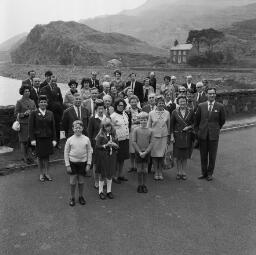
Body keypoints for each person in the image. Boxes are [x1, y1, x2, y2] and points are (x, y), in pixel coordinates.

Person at [195, 87, 226, 181]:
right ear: (207, 94)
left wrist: (216, 129)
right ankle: (203, 173)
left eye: (213, 93)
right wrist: (198, 132)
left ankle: (210, 174)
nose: (211, 95)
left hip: (213, 135)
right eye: (210, 93)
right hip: (203, 135)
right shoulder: (201, 106)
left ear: (215, 95)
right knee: (203, 155)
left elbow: (222, 121)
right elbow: (197, 121)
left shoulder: (220, 106)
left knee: (212, 156)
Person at [64, 120, 92, 206]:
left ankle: (81, 196)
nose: (78, 129)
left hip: (83, 163)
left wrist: (88, 164)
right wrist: (67, 165)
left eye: (79, 127)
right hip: (72, 163)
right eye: (76, 128)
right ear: (73, 129)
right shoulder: (69, 140)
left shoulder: (86, 139)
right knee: (72, 182)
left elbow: (89, 152)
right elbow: (66, 152)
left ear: (82, 128)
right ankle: (72, 197)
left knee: (81, 181)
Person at [29, 95, 57, 181]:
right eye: (41, 102)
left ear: (47, 103)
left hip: (48, 138)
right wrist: (32, 139)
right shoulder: (34, 113)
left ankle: (47, 173)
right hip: (38, 139)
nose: (43, 103)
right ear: (38, 103)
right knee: (40, 157)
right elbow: (31, 127)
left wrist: (54, 139)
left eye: (44, 102)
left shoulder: (50, 113)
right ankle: (41, 174)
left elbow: (53, 127)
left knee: (47, 157)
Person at [170, 95, 195, 180]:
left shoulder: (191, 111)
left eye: (184, 101)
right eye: (181, 102)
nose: (183, 103)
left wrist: (188, 127)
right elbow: (171, 125)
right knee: (178, 156)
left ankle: (183, 172)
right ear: (178, 103)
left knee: (184, 156)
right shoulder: (174, 112)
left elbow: (194, 123)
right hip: (177, 137)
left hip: (187, 136)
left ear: (186, 102)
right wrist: (172, 136)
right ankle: (178, 172)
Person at [147, 95, 170, 180]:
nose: (161, 104)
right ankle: (156, 171)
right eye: (159, 103)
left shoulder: (167, 113)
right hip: (154, 137)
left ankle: (160, 171)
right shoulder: (151, 113)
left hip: (163, 137)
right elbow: (148, 126)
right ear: (156, 103)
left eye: (162, 103)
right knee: (154, 155)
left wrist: (169, 137)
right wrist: (148, 137)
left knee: (162, 155)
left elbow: (169, 126)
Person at [95, 118, 119, 200]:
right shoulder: (100, 135)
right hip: (103, 157)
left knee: (109, 174)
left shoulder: (114, 134)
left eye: (109, 126)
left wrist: (115, 145)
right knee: (102, 174)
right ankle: (100, 192)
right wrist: (106, 145)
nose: (108, 128)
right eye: (106, 126)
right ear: (103, 127)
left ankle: (109, 191)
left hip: (112, 157)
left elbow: (118, 146)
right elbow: (97, 146)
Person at [88, 99, 106, 189]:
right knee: (95, 163)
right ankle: (96, 181)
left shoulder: (107, 118)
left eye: (102, 108)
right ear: (96, 109)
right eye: (99, 108)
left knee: (104, 162)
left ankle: (103, 179)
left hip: (105, 145)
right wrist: (90, 146)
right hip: (95, 145)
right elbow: (89, 133)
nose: (101, 110)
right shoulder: (92, 119)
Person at [40, 76, 63, 148]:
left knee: (57, 128)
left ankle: (57, 143)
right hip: (48, 112)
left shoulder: (57, 88)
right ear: (49, 81)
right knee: (48, 128)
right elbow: (42, 102)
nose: (53, 82)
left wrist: (60, 109)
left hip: (57, 113)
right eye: (52, 81)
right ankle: (49, 143)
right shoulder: (44, 89)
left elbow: (60, 100)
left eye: (55, 81)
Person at [132, 112, 153, 193]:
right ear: (139, 120)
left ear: (147, 120)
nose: (143, 121)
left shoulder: (150, 130)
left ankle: (144, 185)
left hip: (147, 153)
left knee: (145, 170)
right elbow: (134, 142)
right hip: (138, 152)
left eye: (145, 120)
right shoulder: (136, 130)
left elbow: (151, 143)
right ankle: (139, 185)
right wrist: (140, 152)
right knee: (139, 170)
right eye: (141, 120)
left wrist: (146, 152)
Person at [15, 85, 36, 164]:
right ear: (22, 93)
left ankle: (30, 157)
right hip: (23, 124)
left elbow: (36, 111)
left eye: (28, 91)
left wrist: (33, 112)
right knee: (23, 142)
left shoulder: (32, 101)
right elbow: (16, 113)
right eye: (26, 91)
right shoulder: (19, 102)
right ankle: (25, 158)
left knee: (30, 141)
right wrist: (24, 114)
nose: (28, 92)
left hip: (31, 124)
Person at [111, 98, 130, 184]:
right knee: (116, 159)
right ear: (116, 106)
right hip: (117, 140)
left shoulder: (125, 114)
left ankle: (120, 174)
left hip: (125, 139)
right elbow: (110, 129)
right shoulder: (113, 116)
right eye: (119, 105)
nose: (121, 107)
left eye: (122, 105)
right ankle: (114, 176)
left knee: (122, 158)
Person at [127, 95, 141, 173]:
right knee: (131, 150)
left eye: (135, 101)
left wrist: (137, 121)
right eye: (132, 102)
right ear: (129, 103)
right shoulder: (127, 111)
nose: (133, 103)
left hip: (139, 131)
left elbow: (143, 120)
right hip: (130, 131)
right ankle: (132, 166)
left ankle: (137, 165)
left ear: (137, 102)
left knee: (137, 149)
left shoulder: (140, 110)